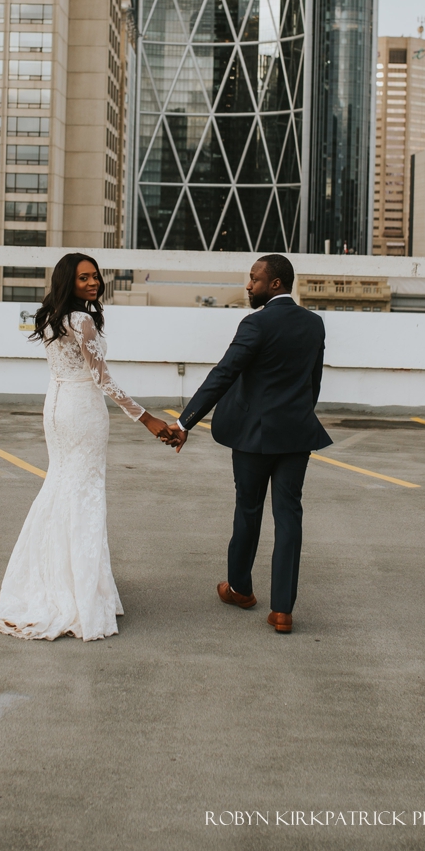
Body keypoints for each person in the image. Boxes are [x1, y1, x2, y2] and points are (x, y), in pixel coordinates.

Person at [0, 253, 171, 641]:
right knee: (83, 493)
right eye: (84, 277)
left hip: (56, 404)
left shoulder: (53, 316)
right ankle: (77, 595)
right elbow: (102, 379)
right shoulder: (82, 320)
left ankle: (56, 581)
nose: (93, 283)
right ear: (68, 281)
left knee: (60, 488)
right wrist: (148, 419)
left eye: (95, 277)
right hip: (81, 409)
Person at [161, 254, 331, 634]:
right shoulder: (314, 324)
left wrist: (185, 421)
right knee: (289, 516)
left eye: (254, 279)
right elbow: (313, 383)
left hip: (253, 437)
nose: (248, 285)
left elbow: (225, 373)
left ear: (275, 284)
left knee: (248, 509)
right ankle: (283, 611)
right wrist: (298, 416)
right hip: (296, 434)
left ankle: (240, 589)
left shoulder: (256, 322)